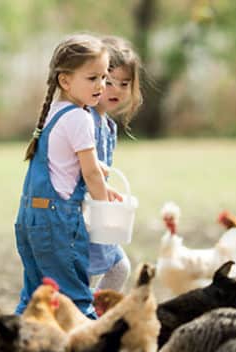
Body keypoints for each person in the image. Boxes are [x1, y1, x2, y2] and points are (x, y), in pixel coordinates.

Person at [14, 34, 122, 318]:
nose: (102, 85)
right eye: (92, 78)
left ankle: (14, 349)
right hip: (59, 221)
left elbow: (68, 162)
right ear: (65, 80)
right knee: (76, 298)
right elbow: (90, 173)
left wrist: (101, 171)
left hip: (30, 218)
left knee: (35, 294)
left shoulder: (53, 111)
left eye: (104, 76)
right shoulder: (80, 117)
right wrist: (105, 207)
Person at [88, 36, 143, 292]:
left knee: (119, 267)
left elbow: (102, 173)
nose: (117, 90)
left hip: (99, 212)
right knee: (83, 275)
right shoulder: (82, 120)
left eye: (124, 83)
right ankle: (80, 321)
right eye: (109, 82)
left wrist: (109, 195)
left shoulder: (108, 126)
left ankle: (92, 320)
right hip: (81, 216)